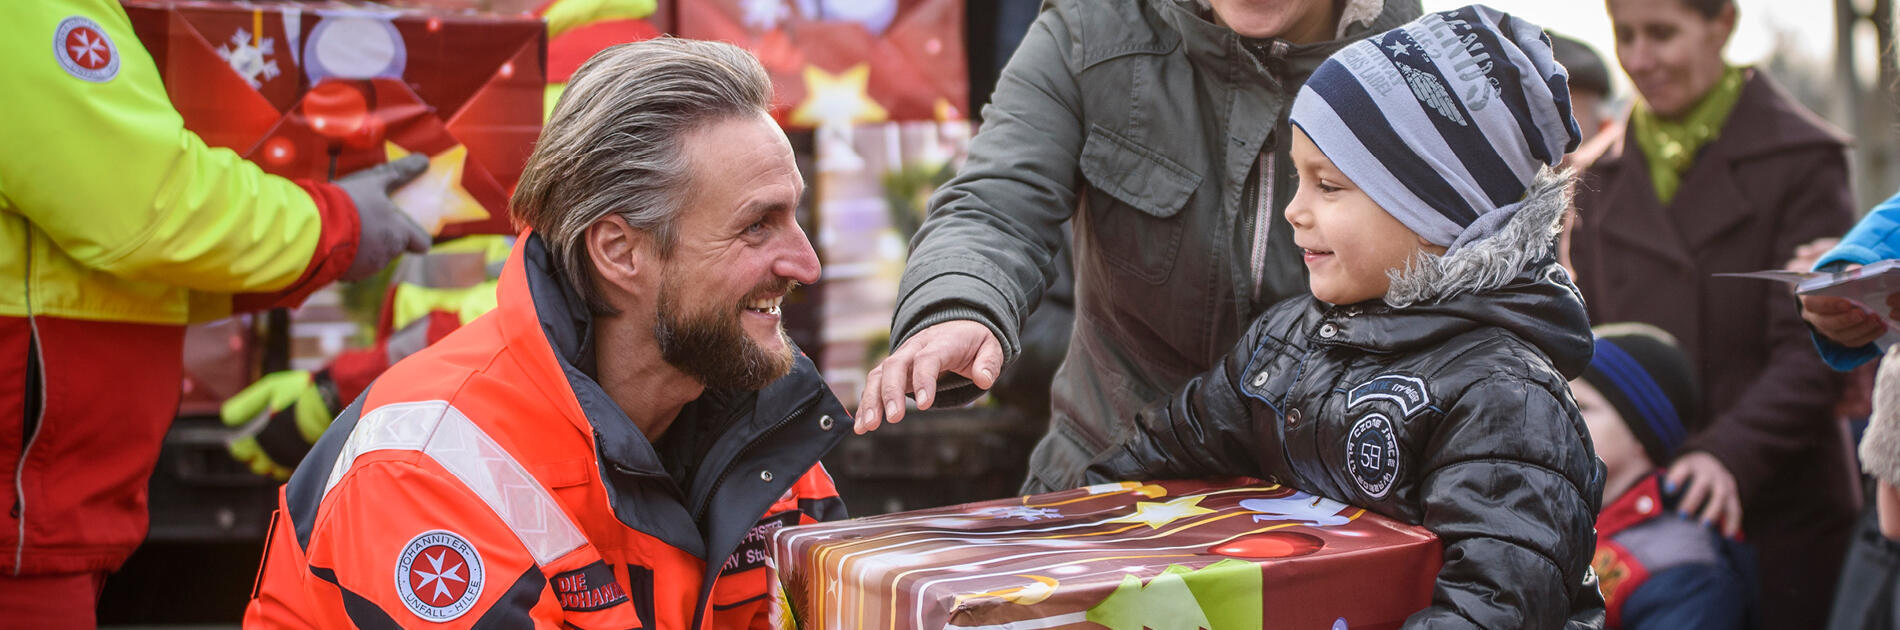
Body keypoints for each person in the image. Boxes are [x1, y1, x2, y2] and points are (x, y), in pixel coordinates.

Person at [244, 39, 850, 628]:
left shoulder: (763, 430)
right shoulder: (427, 471)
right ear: (619, 252)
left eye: (793, 216)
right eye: (756, 227)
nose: (806, 264)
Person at [1085, 7, 1602, 626]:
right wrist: (1082, 545)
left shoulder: (1504, 398)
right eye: (1297, 181)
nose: (1293, 212)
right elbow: (1159, 452)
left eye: (1327, 186)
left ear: (1434, 210)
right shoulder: (1285, 343)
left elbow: (1495, 606)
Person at [853, 0, 1424, 494]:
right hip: (1109, 486)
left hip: (1333, 505)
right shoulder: (1090, 30)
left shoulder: (1418, 65)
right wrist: (957, 305)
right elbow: (996, 198)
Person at [1, 0, 430, 623]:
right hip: (26, 511)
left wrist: (321, 243)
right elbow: (150, 206)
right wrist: (335, 223)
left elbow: (112, 248)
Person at [1568, 0, 1858, 624]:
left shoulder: (1801, 158)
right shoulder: (1597, 177)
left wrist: (1727, 453)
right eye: (1626, 35)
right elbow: (1588, 350)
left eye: (1663, 34)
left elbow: (1818, 345)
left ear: (1723, 23)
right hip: (1643, 524)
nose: (1641, 59)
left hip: (1782, 511)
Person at [220, 235, 513, 480]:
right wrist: (325, 384)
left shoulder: (525, 200)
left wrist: (337, 391)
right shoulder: (465, 218)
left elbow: (500, 321)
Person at [1576, 324, 1755, 630]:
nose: (1559, 417)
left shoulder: (1685, 566)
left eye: (1581, 407)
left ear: (1641, 435)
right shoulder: (1554, 518)